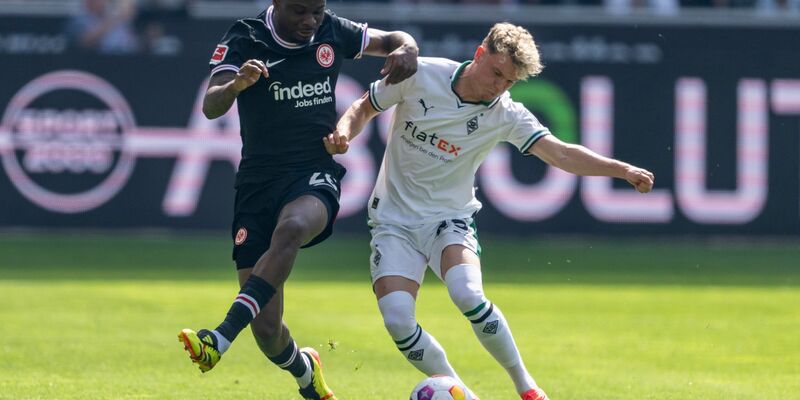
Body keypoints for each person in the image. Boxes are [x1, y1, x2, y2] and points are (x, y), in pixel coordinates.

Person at [324, 23, 654, 400]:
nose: (500, 86)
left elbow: (561, 154)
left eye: (509, 81)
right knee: (398, 320)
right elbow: (364, 107)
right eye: (497, 73)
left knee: (468, 294)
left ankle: (527, 388)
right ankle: (463, 393)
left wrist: (622, 170)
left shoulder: (505, 114)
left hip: (449, 220)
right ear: (480, 54)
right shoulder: (422, 75)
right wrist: (344, 131)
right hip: (392, 222)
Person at [177, 1, 418, 399]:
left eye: (317, 11)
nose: (310, 22)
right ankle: (306, 374)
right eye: (300, 12)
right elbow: (210, 105)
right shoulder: (246, 36)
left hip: (313, 173)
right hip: (257, 184)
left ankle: (219, 337)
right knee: (267, 330)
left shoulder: (332, 30)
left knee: (292, 227)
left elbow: (393, 39)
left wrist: (408, 46)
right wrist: (236, 85)